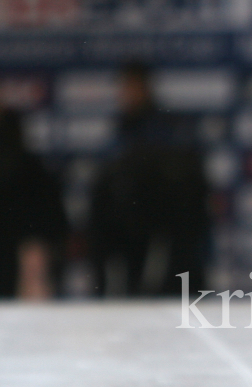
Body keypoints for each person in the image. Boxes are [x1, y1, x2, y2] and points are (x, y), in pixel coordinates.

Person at [88, 62, 209, 296]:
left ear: (146, 88)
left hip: (159, 233)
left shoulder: (165, 129)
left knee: (159, 291)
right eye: (123, 87)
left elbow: (183, 188)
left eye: (132, 87)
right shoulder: (121, 129)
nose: (126, 94)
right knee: (131, 290)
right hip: (125, 236)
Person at [0, 108, 66, 299]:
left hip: (27, 244)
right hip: (28, 241)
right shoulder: (33, 167)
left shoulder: (31, 168)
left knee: (29, 296)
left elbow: (49, 207)